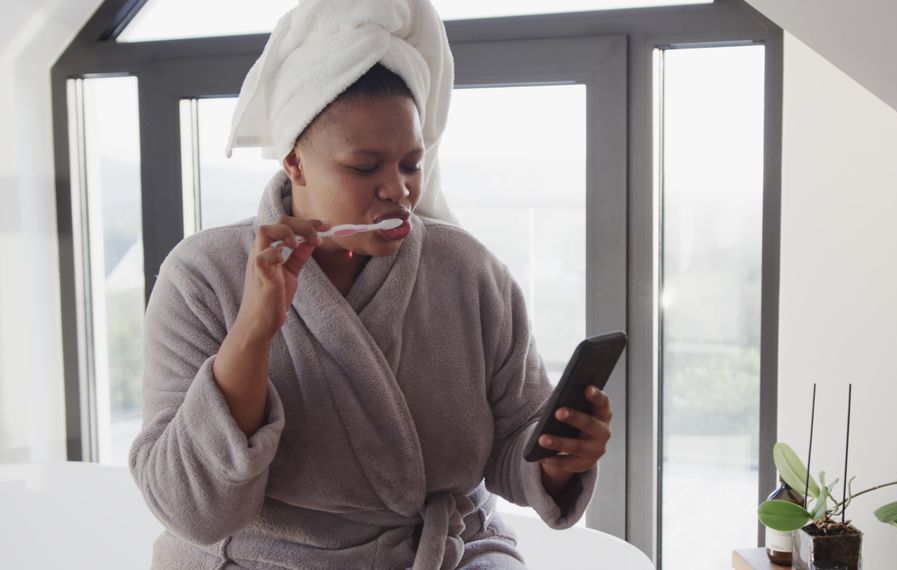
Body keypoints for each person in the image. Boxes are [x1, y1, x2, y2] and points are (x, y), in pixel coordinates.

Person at [128, 0, 612, 568]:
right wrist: (252, 333)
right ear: (295, 163)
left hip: (444, 552)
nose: (399, 191)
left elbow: (513, 443)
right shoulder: (202, 275)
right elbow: (190, 509)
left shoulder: (469, 271)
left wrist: (558, 458)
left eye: (410, 164)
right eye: (365, 167)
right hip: (270, 557)